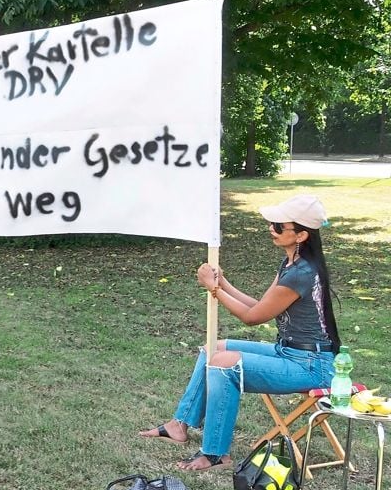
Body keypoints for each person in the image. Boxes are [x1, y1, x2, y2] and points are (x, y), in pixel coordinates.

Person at [139, 195, 340, 471]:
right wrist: (223, 284)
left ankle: (215, 454)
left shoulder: (301, 273)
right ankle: (179, 425)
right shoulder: (291, 264)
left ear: (301, 235)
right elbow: (260, 305)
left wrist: (214, 289)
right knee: (213, 348)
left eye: (279, 226)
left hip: (312, 367)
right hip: (290, 352)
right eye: (272, 223)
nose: (271, 229)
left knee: (224, 364)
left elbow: (252, 318)